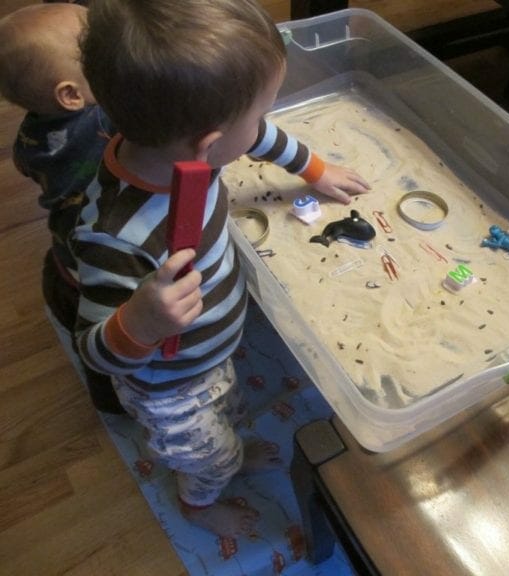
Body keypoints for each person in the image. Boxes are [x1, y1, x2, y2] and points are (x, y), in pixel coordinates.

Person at [74, 0, 370, 537]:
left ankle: (223, 451)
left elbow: (257, 137)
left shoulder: (181, 146)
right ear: (210, 143)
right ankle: (200, 502)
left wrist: (316, 170)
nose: (261, 127)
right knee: (206, 459)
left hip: (211, 353)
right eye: (258, 112)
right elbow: (93, 350)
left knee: (226, 416)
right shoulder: (117, 236)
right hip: (169, 388)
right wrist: (138, 322)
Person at [0, 3, 123, 413]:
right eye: (99, 51)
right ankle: (113, 404)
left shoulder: (31, 137)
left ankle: (105, 396)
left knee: (84, 339)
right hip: (100, 280)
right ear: (71, 94)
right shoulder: (106, 118)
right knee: (107, 351)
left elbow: (24, 164)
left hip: (62, 264)